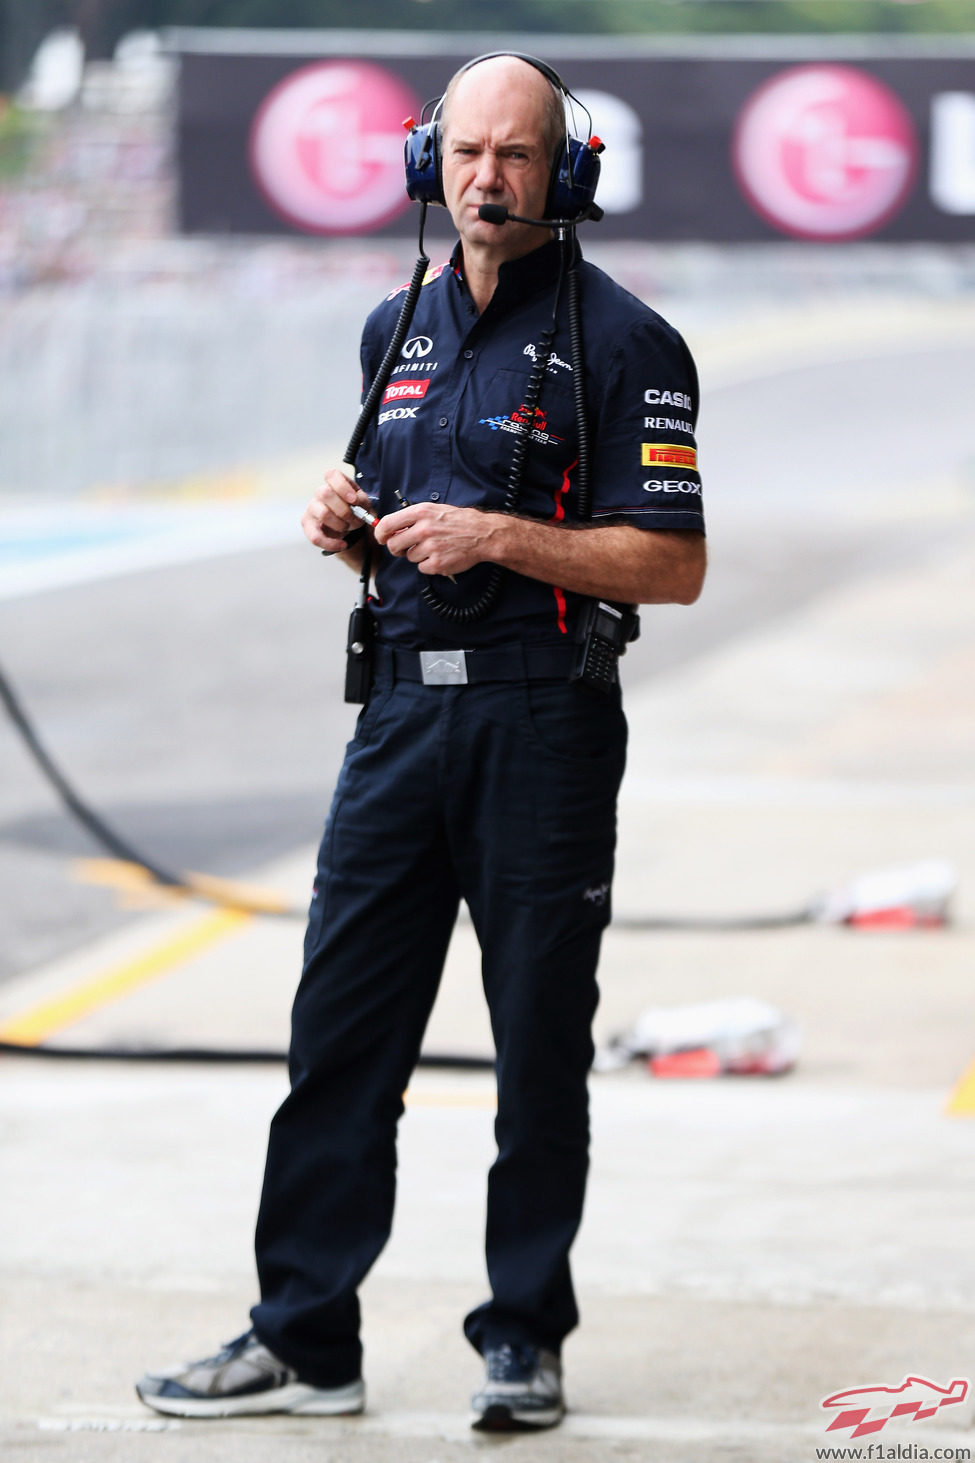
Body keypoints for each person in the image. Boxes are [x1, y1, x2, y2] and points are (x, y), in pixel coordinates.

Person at [136, 51, 706, 1431]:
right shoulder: (391, 328)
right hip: (397, 713)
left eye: (515, 155)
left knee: (535, 1053)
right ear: (425, 164)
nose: (487, 179)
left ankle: (524, 1339)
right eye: (464, 154)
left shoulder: (633, 343)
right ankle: (305, 1340)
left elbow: (673, 565)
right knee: (339, 1039)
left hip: (543, 717)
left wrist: (503, 535)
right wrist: (350, 538)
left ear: (563, 173)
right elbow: (402, 544)